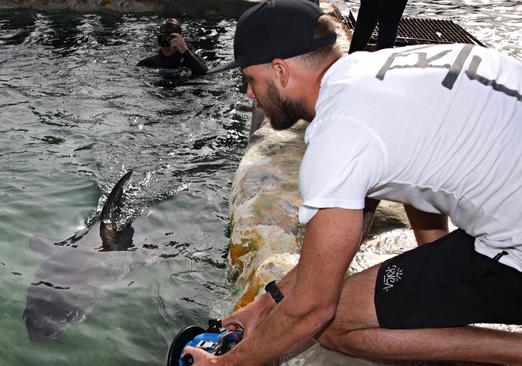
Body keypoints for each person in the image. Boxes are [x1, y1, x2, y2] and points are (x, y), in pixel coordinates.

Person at [195, 0, 522, 365]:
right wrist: (264, 304)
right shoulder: (381, 71)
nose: (249, 94)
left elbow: (312, 310)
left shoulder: (340, 133)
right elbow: (409, 170)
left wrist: (225, 364)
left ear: (280, 71)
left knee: (334, 325)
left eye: (249, 79)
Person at [137, 18, 208, 77]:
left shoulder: (190, 61)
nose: (166, 45)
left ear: (180, 41)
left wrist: (185, 50)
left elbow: (203, 73)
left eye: (171, 40)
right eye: (163, 39)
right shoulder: (149, 62)